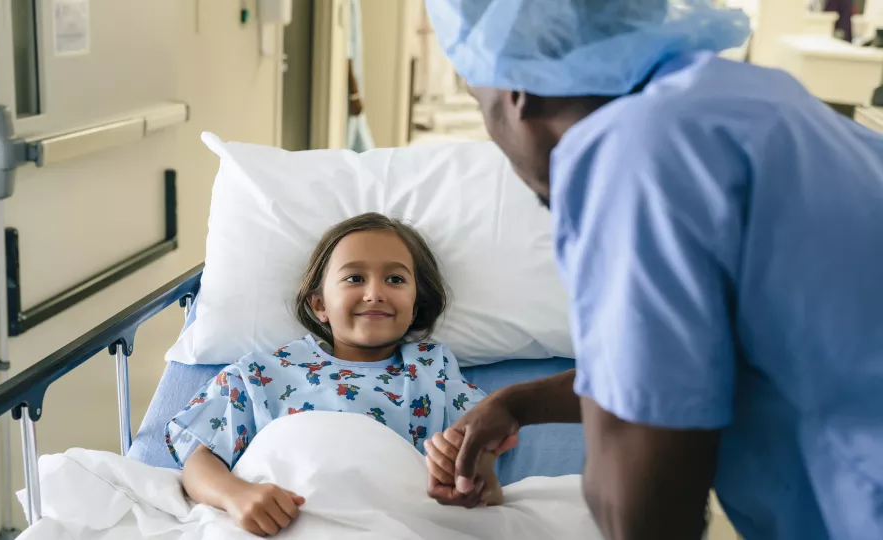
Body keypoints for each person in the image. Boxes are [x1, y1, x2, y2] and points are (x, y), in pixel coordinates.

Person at [420, 1, 883, 539]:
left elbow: (647, 511)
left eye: (481, 103)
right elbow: (678, 363)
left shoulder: (634, 158)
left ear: (516, 93)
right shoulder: (751, 98)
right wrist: (516, 403)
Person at [164, 213, 508, 537]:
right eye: (354, 278)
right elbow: (199, 458)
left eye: (396, 279)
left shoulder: (432, 370)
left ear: (415, 305)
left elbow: (478, 441)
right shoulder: (262, 373)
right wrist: (236, 496)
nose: (375, 293)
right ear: (320, 305)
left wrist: (481, 473)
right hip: (285, 522)